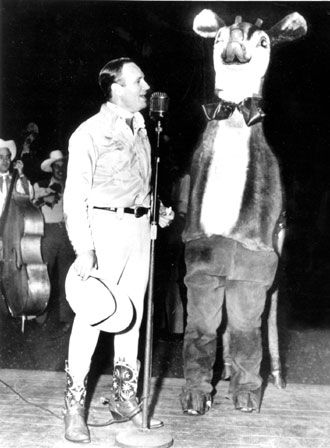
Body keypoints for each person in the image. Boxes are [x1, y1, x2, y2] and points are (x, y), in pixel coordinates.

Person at [62, 57, 173, 443]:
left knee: (132, 317)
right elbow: (74, 197)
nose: (146, 87)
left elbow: (138, 181)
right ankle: (74, 410)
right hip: (103, 231)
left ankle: (124, 399)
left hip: (140, 231)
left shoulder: (144, 129)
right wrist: (83, 249)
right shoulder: (88, 133)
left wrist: (157, 208)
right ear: (116, 89)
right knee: (93, 316)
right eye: (138, 81)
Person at [33, 150, 75, 330]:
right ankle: (38, 316)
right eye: (57, 167)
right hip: (47, 231)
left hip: (67, 232)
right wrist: (44, 198)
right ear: (51, 169)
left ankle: (66, 318)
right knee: (44, 275)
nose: (60, 170)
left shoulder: (72, 186)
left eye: (62, 167)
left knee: (68, 276)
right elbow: (30, 205)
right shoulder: (40, 184)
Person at [0, 139, 33, 218]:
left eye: (8, 157)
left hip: (11, 227)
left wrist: (21, 173)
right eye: (0, 157)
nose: (5, 161)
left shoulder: (16, 181)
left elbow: (29, 196)